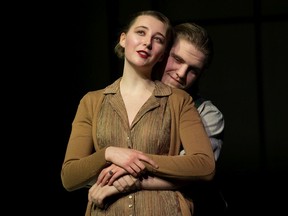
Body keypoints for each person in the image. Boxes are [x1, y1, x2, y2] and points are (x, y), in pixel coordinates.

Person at [61, 10, 215, 216]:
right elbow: (69, 177)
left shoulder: (180, 101)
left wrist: (134, 161)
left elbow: (204, 165)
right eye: (141, 32)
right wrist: (109, 152)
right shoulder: (92, 101)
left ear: (162, 53)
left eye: (158, 39)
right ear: (123, 39)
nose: (147, 42)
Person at [161, 22, 227, 215]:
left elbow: (189, 174)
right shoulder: (126, 98)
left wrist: (126, 182)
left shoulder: (207, 114)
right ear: (163, 52)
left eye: (193, 70)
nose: (181, 74)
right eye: (177, 59)